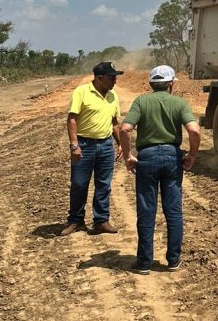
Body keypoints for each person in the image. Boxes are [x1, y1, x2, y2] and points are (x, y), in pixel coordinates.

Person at [119, 65, 201, 275]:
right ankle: (173, 261)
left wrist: (128, 156)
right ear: (171, 83)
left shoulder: (141, 101)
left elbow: (125, 129)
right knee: (173, 211)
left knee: (146, 211)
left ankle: (144, 263)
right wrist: (192, 154)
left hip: (147, 159)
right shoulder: (179, 103)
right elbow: (194, 130)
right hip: (172, 158)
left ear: (151, 84)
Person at [62, 61, 124, 236]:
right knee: (79, 184)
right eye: (112, 77)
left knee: (104, 185)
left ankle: (101, 221)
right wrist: (74, 145)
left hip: (105, 145)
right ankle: (75, 220)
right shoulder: (81, 92)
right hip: (84, 144)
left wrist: (120, 144)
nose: (115, 81)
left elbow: (114, 123)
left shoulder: (113, 96)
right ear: (99, 78)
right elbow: (72, 119)